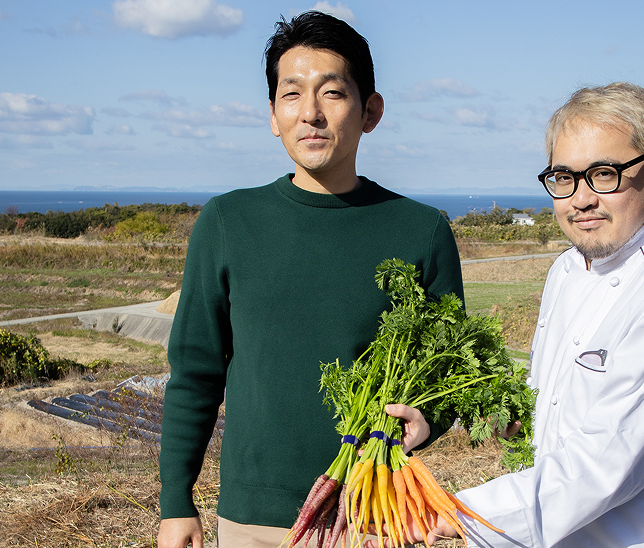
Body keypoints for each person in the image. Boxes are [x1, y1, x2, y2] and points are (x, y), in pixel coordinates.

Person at [156, 11, 463, 548]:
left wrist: (429, 419)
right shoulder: (228, 223)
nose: (311, 114)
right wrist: (176, 502)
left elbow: (450, 372)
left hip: (372, 514)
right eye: (291, 94)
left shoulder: (422, 231)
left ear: (371, 111)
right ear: (273, 114)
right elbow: (195, 374)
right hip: (251, 518)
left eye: (333, 93)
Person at [384, 82, 644, 548]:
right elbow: (545, 410)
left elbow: (602, 466)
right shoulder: (566, 268)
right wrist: (452, 412)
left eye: (604, 174)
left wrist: (459, 514)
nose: (580, 199)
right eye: (563, 177)